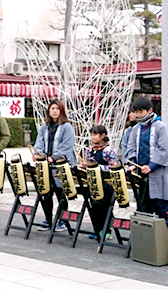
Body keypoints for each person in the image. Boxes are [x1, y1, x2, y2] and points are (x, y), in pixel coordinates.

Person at [124, 97, 168, 250]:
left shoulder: (160, 127)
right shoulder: (136, 129)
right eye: (136, 112)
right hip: (141, 175)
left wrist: (151, 166)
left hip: (157, 173)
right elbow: (130, 148)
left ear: (150, 111)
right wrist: (132, 162)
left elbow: (164, 149)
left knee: (161, 207)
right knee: (143, 208)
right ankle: (146, 240)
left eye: (141, 111)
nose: (138, 115)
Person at [32, 99, 76, 232]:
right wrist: (38, 154)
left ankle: (62, 220)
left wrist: (54, 157)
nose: (55, 111)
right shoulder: (44, 126)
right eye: (52, 109)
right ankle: (48, 219)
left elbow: (66, 146)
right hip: (45, 165)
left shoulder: (67, 127)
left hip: (60, 165)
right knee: (46, 192)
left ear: (61, 110)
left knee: (60, 193)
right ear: (48, 111)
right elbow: (39, 142)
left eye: (57, 109)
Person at [83, 125, 118, 241]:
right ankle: (97, 228)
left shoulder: (108, 150)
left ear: (103, 136)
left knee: (104, 207)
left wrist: (99, 168)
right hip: (93, 181)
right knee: (94, 205)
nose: (92, 137)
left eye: (95, 134)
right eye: (91, 134)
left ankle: (107, 230)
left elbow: (114, 166)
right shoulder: (90, 150)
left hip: (106, 183)